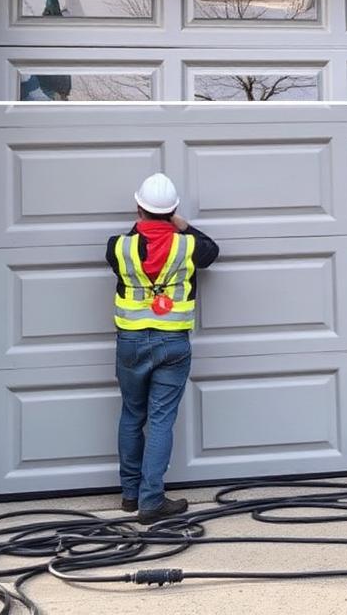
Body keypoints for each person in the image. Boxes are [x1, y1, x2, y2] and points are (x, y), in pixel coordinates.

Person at [105, 172, 219, 520]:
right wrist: (182, 226)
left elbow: (132, 248)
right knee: (160, 421)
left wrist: (144, 226)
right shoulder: (188, 246)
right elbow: (212, 252)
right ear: (172, 210)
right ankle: (151, 500)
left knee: (131, 415)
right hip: (172, 344)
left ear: (138, 206)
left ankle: (129, 495)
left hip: (132, 342)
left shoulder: (118, 246)